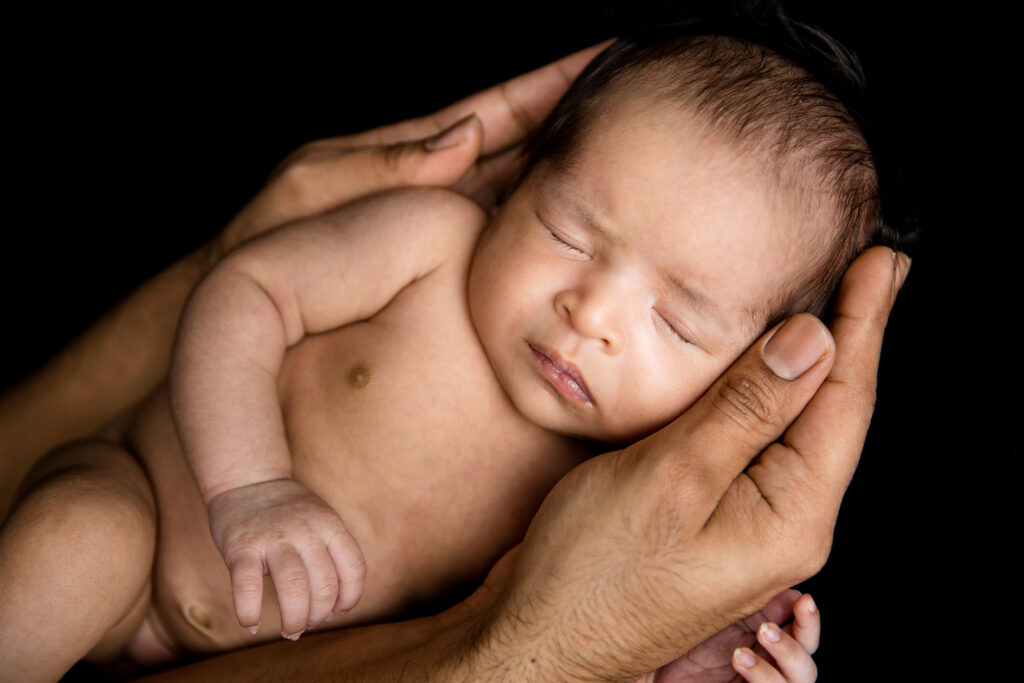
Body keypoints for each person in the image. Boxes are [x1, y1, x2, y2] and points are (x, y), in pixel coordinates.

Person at [0, 18, 909, 683]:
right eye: (572, 233)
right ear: (519, 182)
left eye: (676, 322)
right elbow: (245, 289)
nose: (590, 310)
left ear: (744, 374)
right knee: (75, 540)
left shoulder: (627, 482)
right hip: (148, 523)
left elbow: (568, 621)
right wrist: (250, 485)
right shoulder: (430, 246)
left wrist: (679, 652)